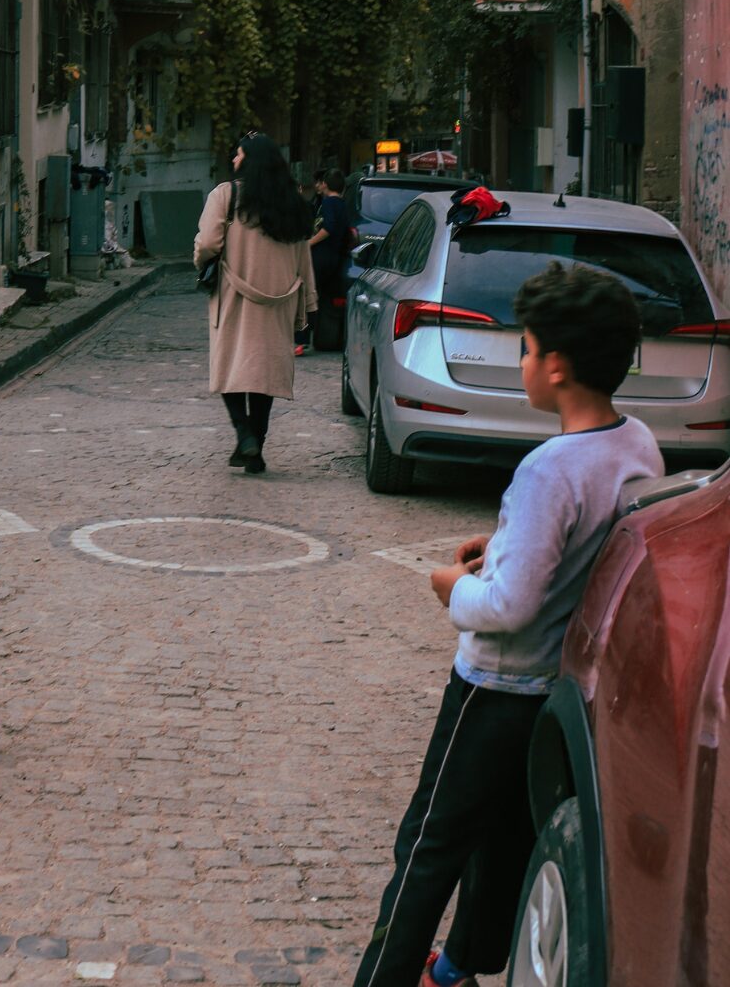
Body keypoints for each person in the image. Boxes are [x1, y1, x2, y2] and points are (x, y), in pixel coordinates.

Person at [351, 261, 664, 987]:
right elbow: (582, 545)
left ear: (555, 366)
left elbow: (507, 606)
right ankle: (457, 969)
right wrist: (503, 545)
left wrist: (451, 587)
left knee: (428, 845)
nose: (520, 361)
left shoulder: (548, 469)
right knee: (503, 841)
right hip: (554, 696)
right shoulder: (637, 444)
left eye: (525, 348)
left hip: (492, 690)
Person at [193, 131, 315, 475]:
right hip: (279, 300)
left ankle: (244, 434)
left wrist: (199, 261)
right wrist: (309, 302)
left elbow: (208, 244)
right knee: (265, 374)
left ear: (250, 159)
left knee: (229, 366)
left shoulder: (226, 195)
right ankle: (255, 448)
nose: (234, 159)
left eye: (238, 154)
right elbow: (303, 256)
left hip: (234, 295)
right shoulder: (292, 202)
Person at [295, 167, 350, 355]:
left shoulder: (328, 203)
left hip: (320, 257)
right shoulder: (342, 204)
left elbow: (328, 228)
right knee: (320, 298)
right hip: (334, 257)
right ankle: (315, 337)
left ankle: (301, 341)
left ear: (325, 184)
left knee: (305, 295)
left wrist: (308, 243)